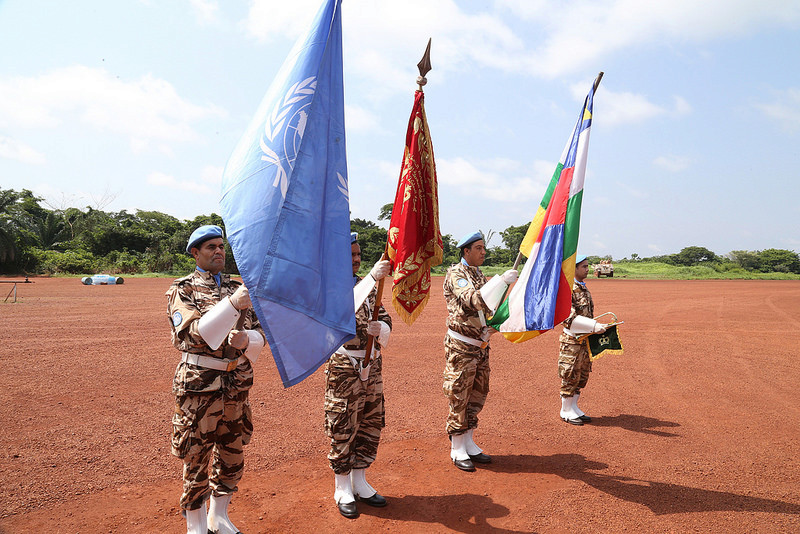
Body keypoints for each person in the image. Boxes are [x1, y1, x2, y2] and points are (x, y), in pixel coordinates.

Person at [166, 224, 265, 534]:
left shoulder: (240, 287)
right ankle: (195, 524)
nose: (219, 251)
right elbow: (193, 335)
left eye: (221, 246)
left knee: (232, 453)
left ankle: (218, 516)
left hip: (235, 385)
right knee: (196, 456)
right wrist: (235, 304)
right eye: (210, 247)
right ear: (195, 253)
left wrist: (247, 339)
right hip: (199, 386)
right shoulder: (184, 289)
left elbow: (264, 332)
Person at [323, 232, 392, 519]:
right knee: (343, 424)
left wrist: (382, 330)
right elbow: (339, 311)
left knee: (370, 421)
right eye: (350, 255)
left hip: (372, 365)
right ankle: (342, 487)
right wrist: (371, 280)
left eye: (358, 255)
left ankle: (360, 481)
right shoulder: (329, 286)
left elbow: (384, 317)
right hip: (345, 366)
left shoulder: (367, 285)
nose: (355, 260)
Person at [442, 231, 517, 471]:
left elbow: (489, 308)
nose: (484, 252)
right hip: (462, 346)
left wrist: (494, 324)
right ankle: (457, 447)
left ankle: (469, 442)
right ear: (466, 251)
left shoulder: (478, 274)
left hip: (481, 344)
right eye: (479, 248)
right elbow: (473, 300)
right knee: (460, 393)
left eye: (484, 248)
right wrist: (501, 281)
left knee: (478, 392)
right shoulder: (457, 274)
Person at [558, 255, 609, 425]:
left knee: (582, 374)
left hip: (584, 339)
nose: (587, 269)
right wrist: (594, 326)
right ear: (574, 268)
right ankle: (565, 409)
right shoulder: (568, 289)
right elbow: (568, 317)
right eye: (584, 266)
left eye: (587, 266)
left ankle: (573, 406)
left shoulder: (582, 288)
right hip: (572, 340)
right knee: (570, 373)